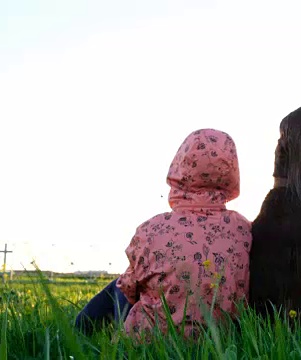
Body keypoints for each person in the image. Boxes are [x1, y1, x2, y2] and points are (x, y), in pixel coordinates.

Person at [75, 129, 252, 339]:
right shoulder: (244, 230)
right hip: (220, 343)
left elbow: (128, 290)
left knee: (121, 285)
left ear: (179, 167)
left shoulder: (153, 229)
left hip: (150, 345)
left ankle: (76, 334)